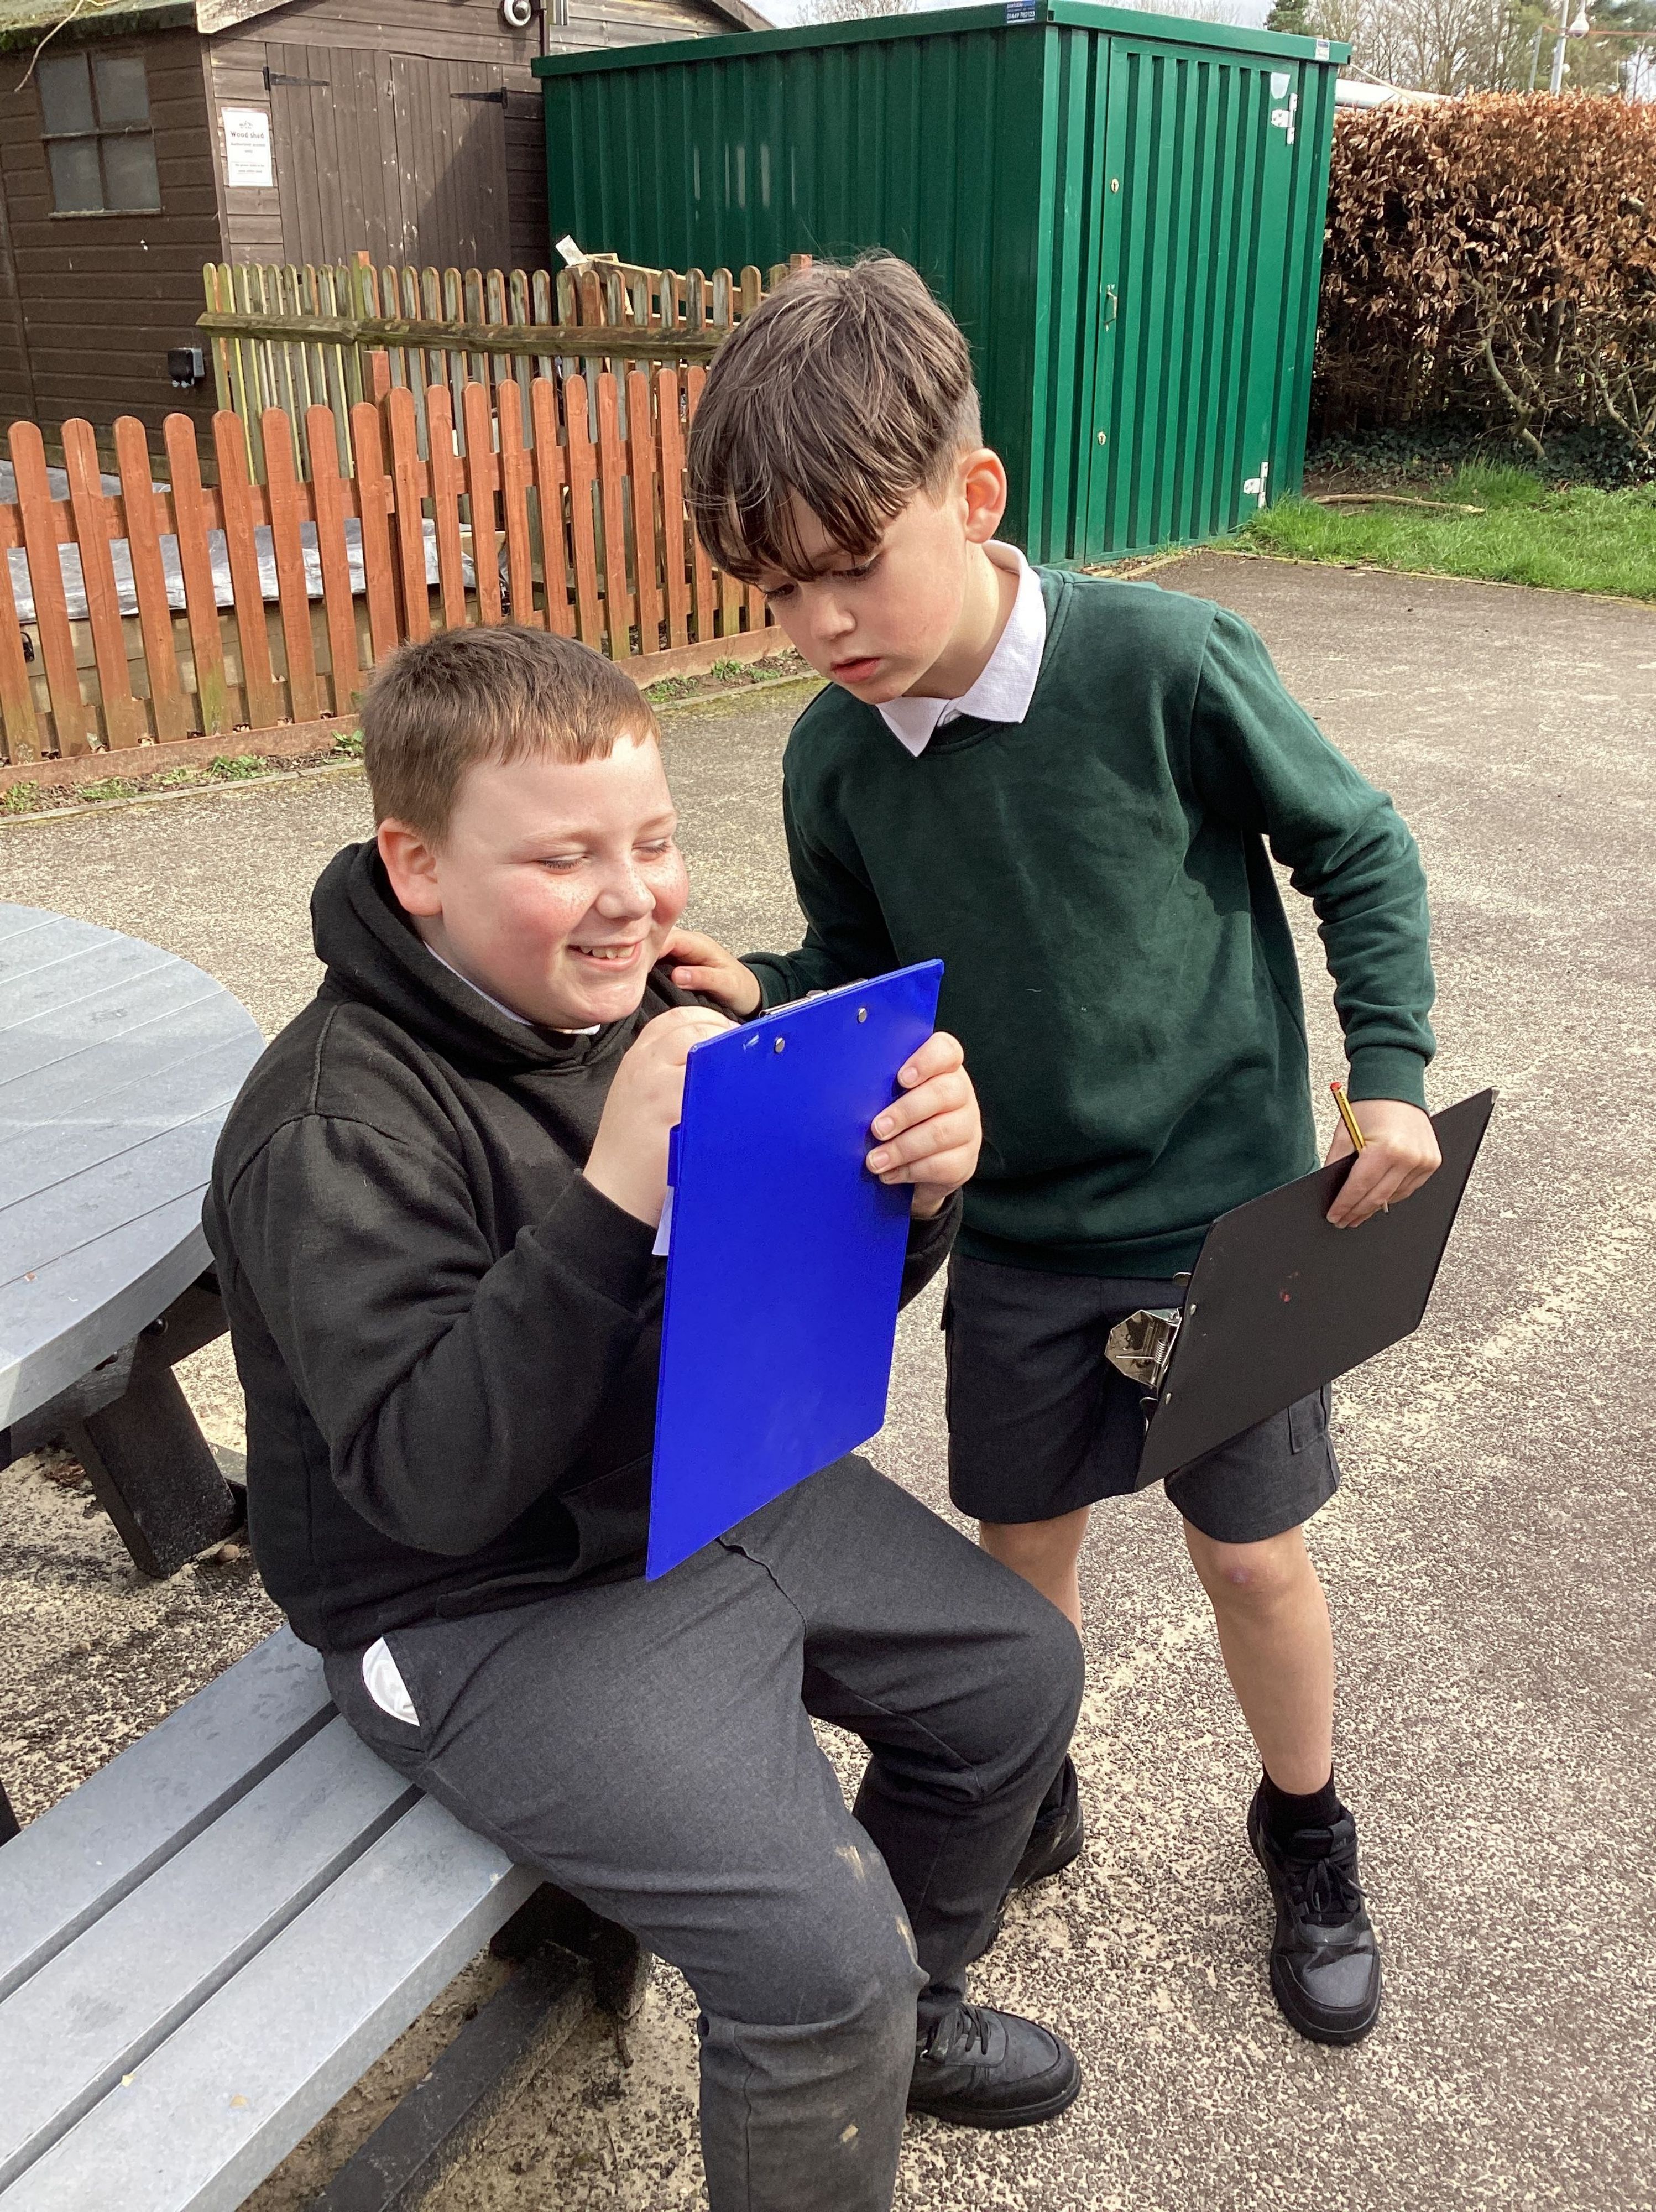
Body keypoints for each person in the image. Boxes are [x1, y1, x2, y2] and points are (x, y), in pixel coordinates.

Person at [203, 625, 1086, 2212]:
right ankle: (852, 2023)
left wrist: (917, 1193)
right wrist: (613, 1192)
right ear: (418, 865)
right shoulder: (337, 1123)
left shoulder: (642, 1003)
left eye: (655, 842)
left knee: (1016, 1677)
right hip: (476, 1601)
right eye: (564, 858)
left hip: (693, 1469)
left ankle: (907, 2019)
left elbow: (784, 1297)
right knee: (818, 1971)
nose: (633, 899)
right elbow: (431, 1483)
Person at [667, 255, 1442, 2048]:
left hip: (1225, 1220)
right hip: (1017, 1238)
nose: (818, 624)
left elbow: (1361, 848)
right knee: (1020, 1556)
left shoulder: (1166, 665)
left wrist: (1392, 1075)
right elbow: (868, 973)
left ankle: (1307, 1826)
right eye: (776, 590)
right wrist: (762, 990)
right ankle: (1034, 1776)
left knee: (1252, 1558)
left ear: (974, 493)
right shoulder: (832, 758)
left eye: (851, 562)